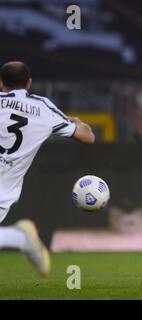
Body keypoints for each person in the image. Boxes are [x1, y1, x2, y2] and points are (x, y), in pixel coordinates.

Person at [0, 61, 95, 276]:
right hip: (5, 191)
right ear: (29, 83)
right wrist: (77, 121)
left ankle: (21, 238)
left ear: (0, 83)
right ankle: (20, 238)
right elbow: (88, 137)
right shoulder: (42, 107)